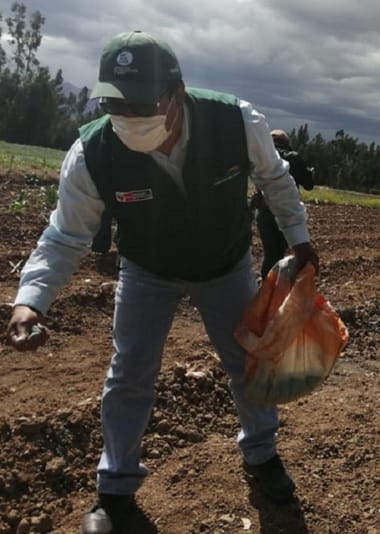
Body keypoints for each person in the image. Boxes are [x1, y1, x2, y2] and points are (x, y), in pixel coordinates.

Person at [5, 31, 319, 534]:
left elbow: (276, 180)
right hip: (148, 270)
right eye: (114, 103)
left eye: (141, 102)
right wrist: (32, 302)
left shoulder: (236, 121)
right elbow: (65, 235)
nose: (127, 115)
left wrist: (299, 239)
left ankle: (261, 455)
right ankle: (115, 489)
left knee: (247, 361)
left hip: (225, 265)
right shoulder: (92, 153)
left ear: (177, 92)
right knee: (129, 372)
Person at [250, 129, 314, 277]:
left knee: (270, 254)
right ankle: (274, 290)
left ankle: (266, 288)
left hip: (264, 212)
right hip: (287, 211)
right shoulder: (293, 157)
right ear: (286, 142)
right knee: (278, 254)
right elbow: (309, 185)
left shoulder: (261, 156)